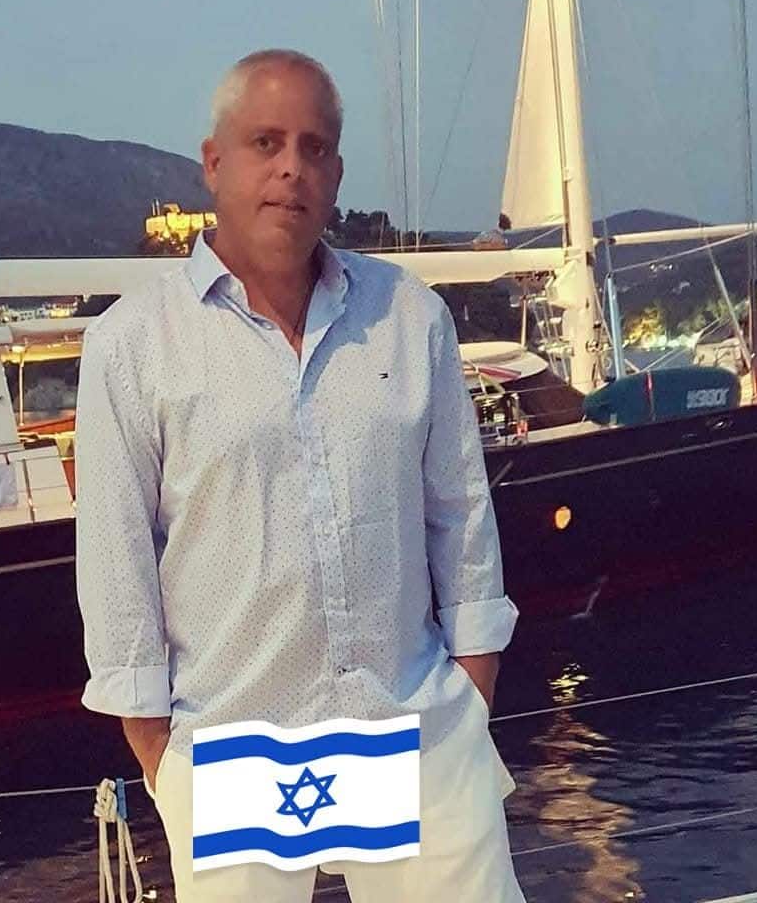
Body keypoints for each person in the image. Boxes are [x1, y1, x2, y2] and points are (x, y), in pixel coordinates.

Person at [76, 49, 524, 902]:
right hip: (232, 744)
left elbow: (461, 513)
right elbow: (115, 559)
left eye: (314, 147)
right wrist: (159, 754)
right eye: (265, 142)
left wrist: (473, 691)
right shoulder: (132, 345)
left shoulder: (408, 317)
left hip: (412, 727)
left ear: (337, 174)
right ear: (214, 162)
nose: (292, 167)